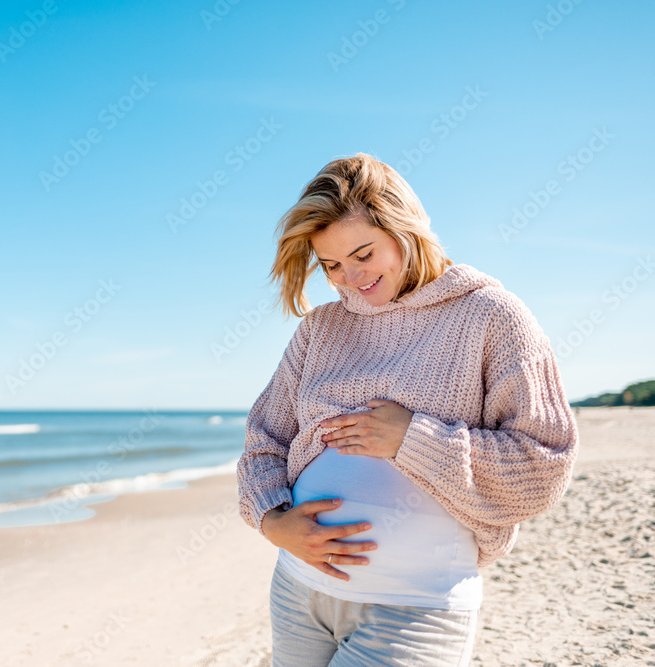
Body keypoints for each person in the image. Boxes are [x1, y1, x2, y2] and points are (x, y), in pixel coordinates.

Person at [236, 153, 579, 666]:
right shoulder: (320, 329)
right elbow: (265, 439)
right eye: (331, 265)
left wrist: (412, 439)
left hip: (416, 607)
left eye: (363, 253)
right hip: (299, 592)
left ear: (404, 229)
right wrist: (272, 520)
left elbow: (543, 463)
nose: (350, 277)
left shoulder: (490, 316)